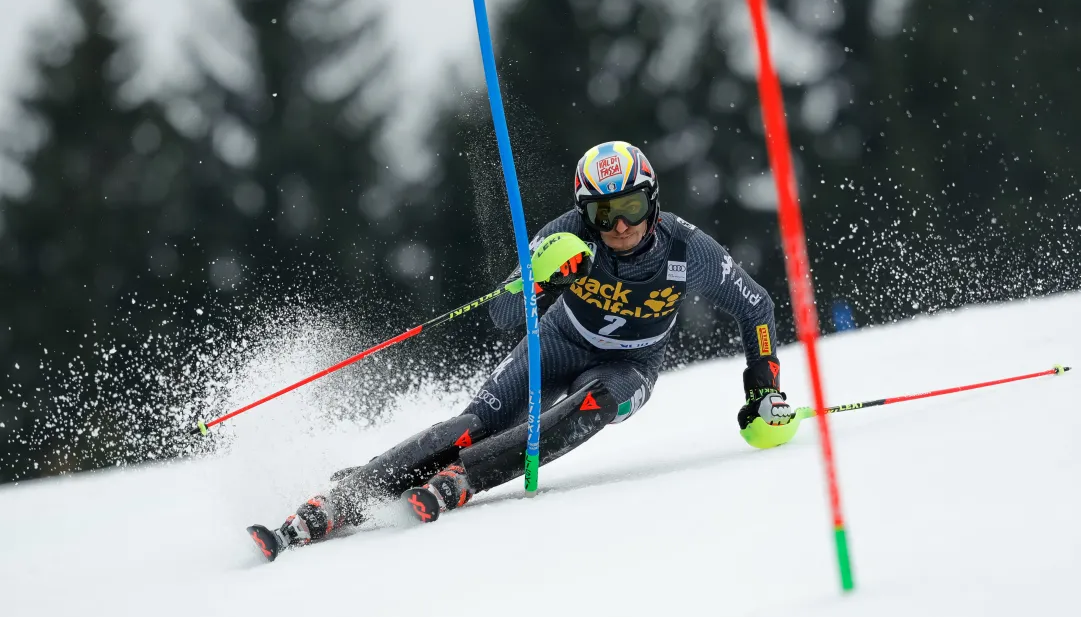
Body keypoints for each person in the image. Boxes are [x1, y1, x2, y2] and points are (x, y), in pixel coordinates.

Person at [247, 140, 795, 561]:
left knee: (592, 403)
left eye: (629, 206)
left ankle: (466, 478)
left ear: (652, 200)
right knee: (473, 422)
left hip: (630, 362)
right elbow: (502, 313)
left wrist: (765, 387)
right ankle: (344, 496)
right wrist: (541, 280)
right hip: (558, 341)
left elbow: (758, 307)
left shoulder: (688, 250)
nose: (621, 225)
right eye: (604, 214)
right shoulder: (567, 234)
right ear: (587, 213)